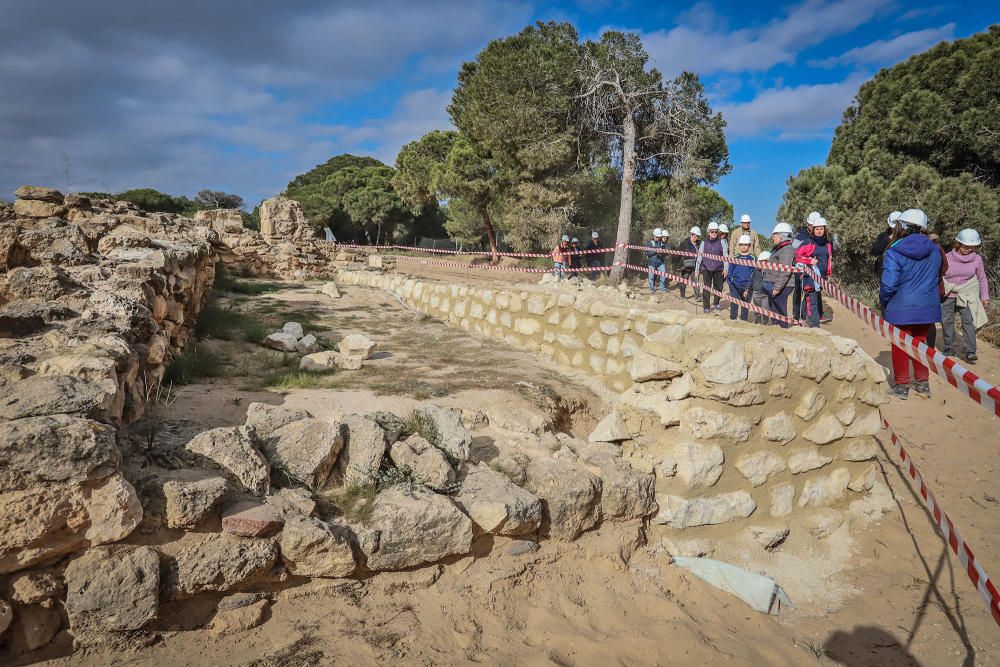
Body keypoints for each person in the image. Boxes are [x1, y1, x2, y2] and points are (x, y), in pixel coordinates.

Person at [879, 208, 942, 399]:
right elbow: (937, 276)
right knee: (920, 344)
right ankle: (923, 383)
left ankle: (901, 386)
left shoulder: (894, 250)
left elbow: (889, 284)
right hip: (928, 306)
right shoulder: (936, 250)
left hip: (901, 308)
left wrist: (884, 301)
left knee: (900, 346)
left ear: (901, 226)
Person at [941, 228, 990, 364]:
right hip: (949, 293)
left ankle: (970, 351)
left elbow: (982, 278)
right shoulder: (946, 257)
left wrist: (985, 296)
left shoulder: (977, 259)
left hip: (968, 293)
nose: (970, 250)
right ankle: (950, 347)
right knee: (946, 320)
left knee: (968, 321)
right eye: (967, 246)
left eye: (973, 247)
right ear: (958, 244)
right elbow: (939, 276)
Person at [763, 222, 796, 328]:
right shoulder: (779, 248)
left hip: (782, 285)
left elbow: (785, 271)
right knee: (774, 309)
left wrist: (777, 288)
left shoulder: (787, 249)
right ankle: (776, 329)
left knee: (780, 311)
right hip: (775, 283)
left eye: (775, 235)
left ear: (782, 235)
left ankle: (782, 330)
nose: (773, 237)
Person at [695, 221, 729, 313]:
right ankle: (706, 307)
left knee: (718, 287)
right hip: (706, 269)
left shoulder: (722, 242)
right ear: (708, 232)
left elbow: (725, 256)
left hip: (719, 268)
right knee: (706, 288)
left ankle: (716, 302)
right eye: (712, 231)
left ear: (717, 232)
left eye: (715, 232)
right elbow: (699, 256)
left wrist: (726, 268)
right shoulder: (703, 243)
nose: (714, 233)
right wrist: (697, 269)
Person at [792, 212, 819, 321]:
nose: (812, 227)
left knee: (811, 292)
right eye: (811, 225)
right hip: (800, 269)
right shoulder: (800, 236)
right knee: (798, 291)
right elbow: (794, 253)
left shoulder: (818, 236)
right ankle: (796, 316)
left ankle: (805, 315)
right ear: (808, 224)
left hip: (813, 270)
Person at [810, 217, 833, 323]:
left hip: (823, 274)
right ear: (813, 230)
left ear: (825, 230)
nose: (819, 231)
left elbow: (829, 259)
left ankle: (819, 315)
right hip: (812, 273)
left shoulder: (828, 244)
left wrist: (829, 273)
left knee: (818, 294)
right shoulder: (810, 243)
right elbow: (801, 256)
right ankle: (812, 318)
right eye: (817, 229)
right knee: (812, 295)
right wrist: (809, 261)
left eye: (821, 229)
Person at [727, 235, 755, 321]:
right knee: (734, 303)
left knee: (745, 305)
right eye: (741, 244)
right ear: (739, 245)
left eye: (746, 244)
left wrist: (750, 286)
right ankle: (733, 318)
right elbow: (730, 271)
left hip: (747, 287)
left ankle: (743, 320)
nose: (743, 246)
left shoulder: (752, 258)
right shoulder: (735, 258)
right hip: (735, 285)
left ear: (749, 246)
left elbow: (754, 273)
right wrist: (730, 283)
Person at [871, 211, 901, 278]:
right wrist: (888, 239)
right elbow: (874, 251)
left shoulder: (906, 236)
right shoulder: (883, 236)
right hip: (886, 272)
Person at [749, 251, 771, 324]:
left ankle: (765, 323)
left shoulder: (770, 271)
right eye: (760, 261)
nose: (761, 263)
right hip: (756, 293)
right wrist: (747, 289)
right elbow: (751, 280)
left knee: (765, 310)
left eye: (763, 262)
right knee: (757, 309)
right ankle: (757, 321)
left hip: (766, 295)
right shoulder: (756, 270)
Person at [678, 226, 700, 300]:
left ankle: (698, 296)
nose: (696, 238)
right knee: (684, 280)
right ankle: (682, 296)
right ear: (691, 234)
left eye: (697, 236)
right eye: (694, 236)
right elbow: (678, 254)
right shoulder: (684, 243)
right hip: (686, 266)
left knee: (695, 280)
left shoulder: (699, 244)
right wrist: (678, 265)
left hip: (695, 266)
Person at [646, 228, 667, 293]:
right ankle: (651, 288)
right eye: (657, 237)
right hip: (651, 263)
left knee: (663, 274)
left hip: (660, 262)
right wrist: (656, 251)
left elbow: (667, 250)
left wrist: (663, 252)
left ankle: (662, 287)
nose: (658, 238)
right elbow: (647, 253)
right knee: (651, 277)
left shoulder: (662, 243)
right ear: (654, 235)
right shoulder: (649, 243)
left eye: (659, 237)